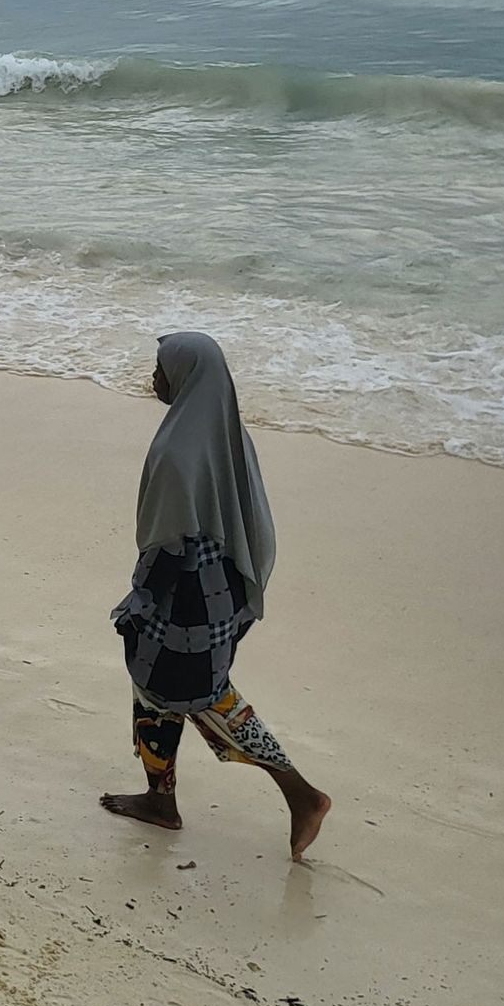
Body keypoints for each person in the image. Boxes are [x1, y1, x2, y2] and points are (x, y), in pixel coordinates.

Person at [101, 332, 331, 860]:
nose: (154, 378)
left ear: (184, 378)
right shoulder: (224, 432)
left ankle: (301, 795)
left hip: (185, 592)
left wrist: (137, 603)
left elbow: (170, 541)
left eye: (161, 370)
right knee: (172, 691)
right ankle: (163, 799)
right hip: (222, 586)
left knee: (195, 695)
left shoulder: (179, 449)